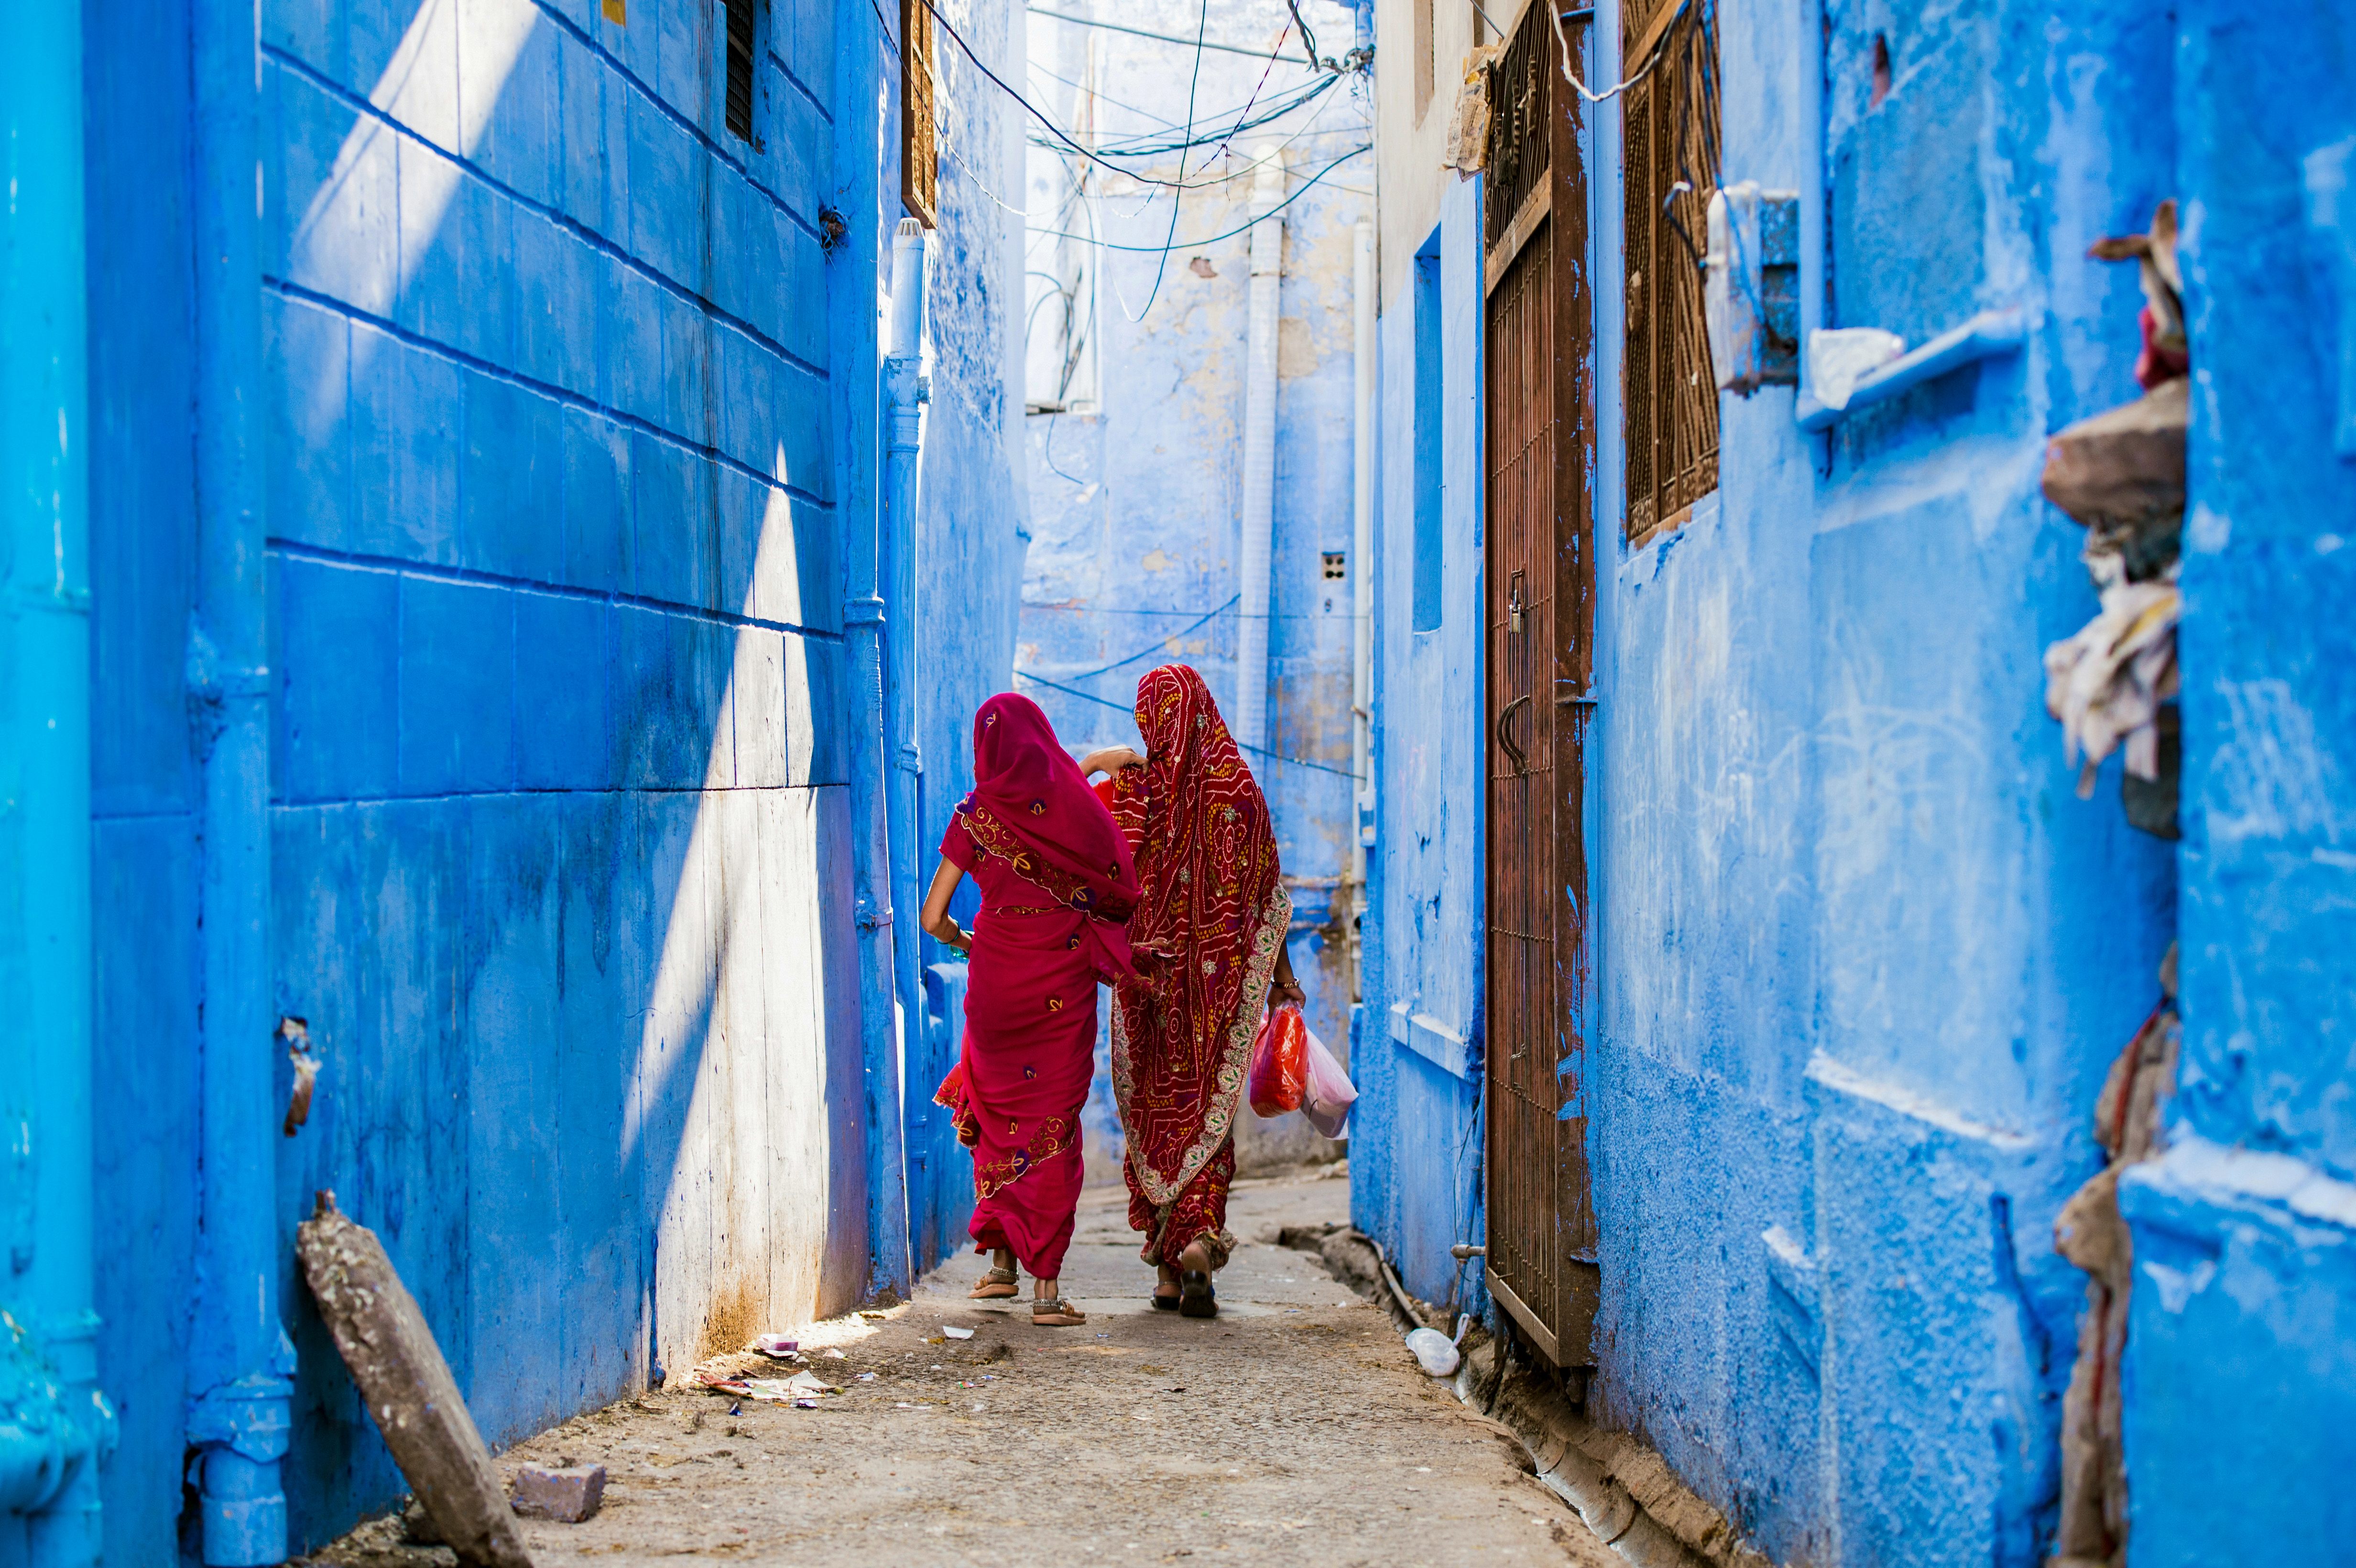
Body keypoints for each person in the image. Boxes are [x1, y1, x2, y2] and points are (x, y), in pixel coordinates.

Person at [1080, 664, 1306, 1318]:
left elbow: (1091, 851)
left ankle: (1167, 1274)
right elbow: (1269, 902)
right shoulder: (1240, 793)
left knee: (1156, 1115)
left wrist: (1109, 759)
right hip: (1218, 991)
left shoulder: (1136, 790)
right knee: (1207, 1118)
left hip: (1146, 984)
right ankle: (1199, 1241)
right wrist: (1282, 979)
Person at [920, 693, 1137, 1328]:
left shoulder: (973, 817)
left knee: (999, 1116)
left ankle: (1001, 1269)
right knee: (1051, 1123)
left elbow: (933, 918)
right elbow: (1109, 873)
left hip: (994, 984)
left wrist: (970, 941)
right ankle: (1047, 1292)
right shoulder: (1070, 809)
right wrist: (1097, 766)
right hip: (1059, 987)